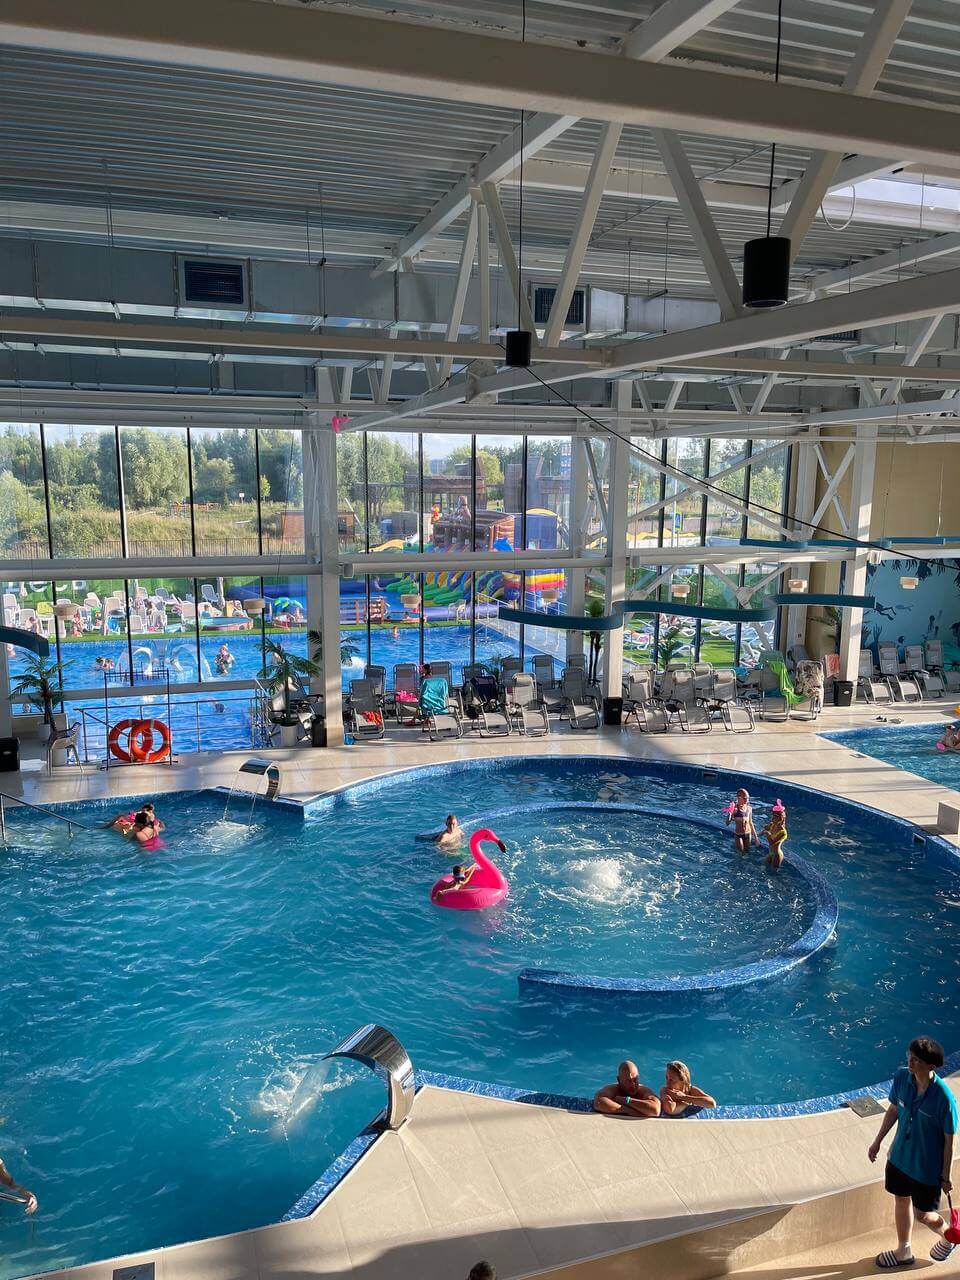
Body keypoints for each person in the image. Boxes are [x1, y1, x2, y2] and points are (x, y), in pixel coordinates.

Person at [868, 1036, 957, 1269]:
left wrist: (946, 1175)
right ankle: (903, 1250)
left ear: (931, 1066)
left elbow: (950, 1140)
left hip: (925, 1168)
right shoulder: (902, 1077)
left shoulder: (944, 1099)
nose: (910, 1062)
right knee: (900, 1200)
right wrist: (877, 1141)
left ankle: (949, 1235)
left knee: (923, 1215)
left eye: (916, 1059)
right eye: (910, 1056)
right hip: (899, 1157)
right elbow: (894, 1109)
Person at [593, 1061, 661, 1119]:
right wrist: (628, 1110)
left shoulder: (643, 1090)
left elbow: (656, 1110)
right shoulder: (613, 1089)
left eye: (635, 1080)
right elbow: (599, 1102)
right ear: (619, 1080)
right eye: (628, 1081)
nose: (633, 1084)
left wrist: (626, 1100)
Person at [725, 788, 757, 854]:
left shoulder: (749, 808)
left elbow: (750, 822)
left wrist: (756, 838)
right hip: (739, 835)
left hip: (748, 834)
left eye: (748, 798)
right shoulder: (735, 809)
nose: (747, 800)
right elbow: (727, 823)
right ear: (739, 798)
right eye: (745, 798)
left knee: (747, 852)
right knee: (741, 853)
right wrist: (730, 813)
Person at [761, 800, 788, 869]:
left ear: (781, 819)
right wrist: (756, 835)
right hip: (770, 853)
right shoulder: (772, 825)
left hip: (777, 855)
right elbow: (764, 830)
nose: (772, 818)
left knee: (773, 872)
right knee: (763, 866)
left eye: (775, 817)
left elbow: (772, 843)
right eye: (772, 816)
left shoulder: (782, 832)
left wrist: (767, 833)